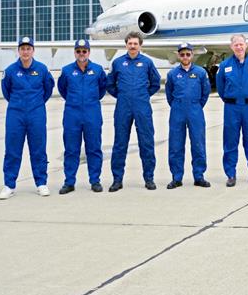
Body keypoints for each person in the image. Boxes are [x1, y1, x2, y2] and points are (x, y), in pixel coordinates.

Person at [0, 36, 55, 200]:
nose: (25, 51)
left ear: (33, 50)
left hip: (36, 113)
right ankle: (9, 185)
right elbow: (6, 91)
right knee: (12, 149)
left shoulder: (42, 69)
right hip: (16, 114)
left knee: (38, 148)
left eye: (28, 48)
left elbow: (48, 89)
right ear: (18, 51)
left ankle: (41, 183)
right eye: (22, 48)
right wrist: (19, 104)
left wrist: (35, 104)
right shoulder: (10, 71)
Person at [106, 31, 161, 191]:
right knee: (120, 143)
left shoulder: (147, 62)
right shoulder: (118, 63)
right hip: (123, 106)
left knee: (147, 142)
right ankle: (117, 179)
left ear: (140, 45)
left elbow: (155, 83)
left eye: (135, 44)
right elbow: (110, 84)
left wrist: (142, 95)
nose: (132, 46)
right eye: (130, 43)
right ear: (126, 45)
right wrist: (121, 95)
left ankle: (149, 178)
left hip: (142, 107)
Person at [56, 39, 107, 194]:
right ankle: (69, 182)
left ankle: (95, 180)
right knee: (71, 149)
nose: (81, 54)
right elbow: (62, 89)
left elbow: (102, 89)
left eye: (84, 51)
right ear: (75, 53)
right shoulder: (66, 71)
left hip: (92, 114)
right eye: (78, 51)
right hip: (73, 114)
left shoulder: (97, 70)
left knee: (94, 148)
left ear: (89, 52)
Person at [216, 34, 248, 187]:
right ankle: (231, 174)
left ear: (246, 45)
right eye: (235, 44)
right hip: (231, 108)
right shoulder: (225, 65)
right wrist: (231, 99)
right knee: (230, 142)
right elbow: (220, 87)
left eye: (241, 44)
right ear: (231, 47)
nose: (239, 47)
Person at [165, 43, 212, 189]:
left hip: (195, 110)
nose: (185, 57)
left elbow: (205, 92)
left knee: (198, 143)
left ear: (192, 55)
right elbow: (169, 94)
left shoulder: (200, 72)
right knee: (175, 145)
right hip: (177, 110)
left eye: (188, 54)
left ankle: (199, 176)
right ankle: (176, 177)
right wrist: (177, 105)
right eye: (182, 54)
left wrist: (196, 105)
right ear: (179, 56)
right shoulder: (172, 74)